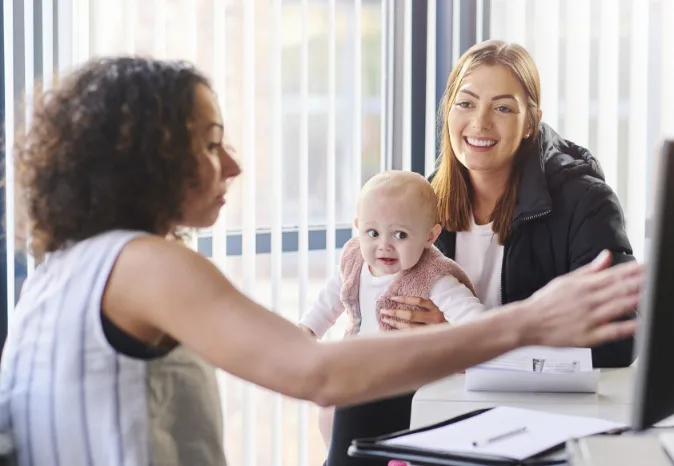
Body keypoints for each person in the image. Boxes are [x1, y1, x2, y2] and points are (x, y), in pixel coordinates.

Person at [0, 57, 641, 466]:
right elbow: (316, 371)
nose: (235, 166)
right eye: (212, 143)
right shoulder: (143, 265)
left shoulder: (68, 263)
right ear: (146, 157)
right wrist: (530, 322)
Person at [324, 40, 638, 466]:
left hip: (533, 409)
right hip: (441, 395)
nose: (480, 122)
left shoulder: (585, 202)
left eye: (504, 108)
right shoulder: (423, 203)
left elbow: (618, 341)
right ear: (448, 111)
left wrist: (460, 341)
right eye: (466, 103)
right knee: (351, 403)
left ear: (531, 122)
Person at [300, 170, 487, 447]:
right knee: (328, 414)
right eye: (372, 232)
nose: (384, 246)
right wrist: (306, 332)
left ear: (430, 236)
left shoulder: (433, 276)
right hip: (359, 371)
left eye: (400, 234)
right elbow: (328, 302)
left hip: (409, 381)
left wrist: (453, 340)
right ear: (358, 227)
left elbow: (477, 322)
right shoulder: (354, 261)